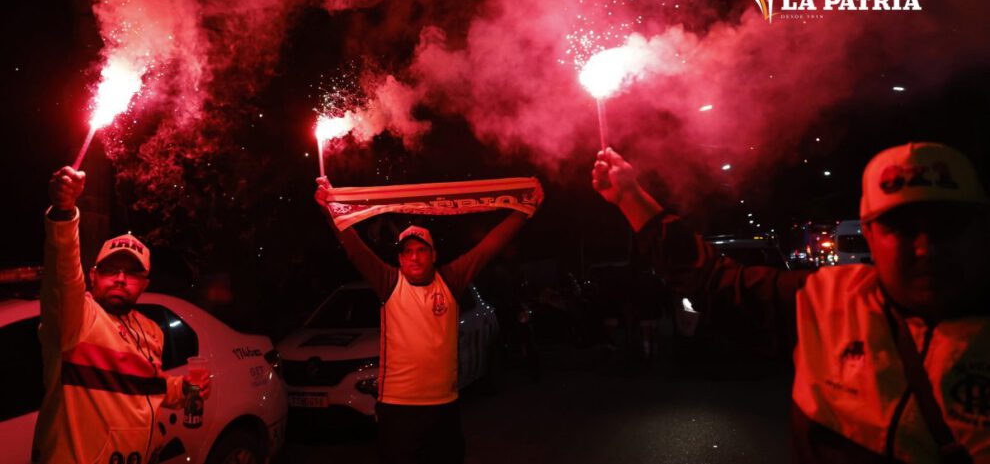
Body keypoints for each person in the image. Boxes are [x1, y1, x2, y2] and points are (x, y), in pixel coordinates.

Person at [592, 143, 990, 463]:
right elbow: (711, 281)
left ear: (980, 227)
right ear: (868, 233)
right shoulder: (825, 302)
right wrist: (630, 197)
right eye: (900, 228)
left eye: (947, 226)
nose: (926, 249)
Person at [315, 176, 542, 464]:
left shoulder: (450, 279)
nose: (414, 257)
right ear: (399, 259)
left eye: (421, 250)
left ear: (433, 255)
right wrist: (328, 209)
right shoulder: (389, 282)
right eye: (407, 252)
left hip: (443, 406)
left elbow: (489, 247)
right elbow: (355, 249)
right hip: (398, 409)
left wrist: (524, 210)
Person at [33, 166, 211, 464]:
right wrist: (64, 215)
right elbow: (62, 279)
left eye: (131, 273)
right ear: (93, 276)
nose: (119, 278)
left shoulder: (151, 329)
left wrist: (183, 388)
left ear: (144, 285)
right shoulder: (76, 321)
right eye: (109, 269)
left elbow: (148, 384)